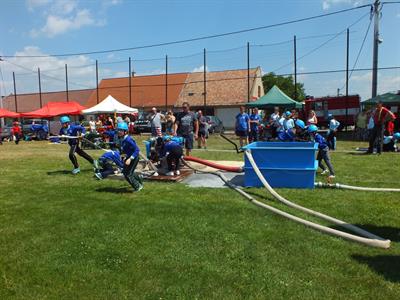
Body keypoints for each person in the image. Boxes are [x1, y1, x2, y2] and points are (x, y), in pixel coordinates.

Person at [117, 122, 143, 191]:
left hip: (134, 158)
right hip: (129, 157)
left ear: (125, 131)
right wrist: (125, 156)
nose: (119, 132)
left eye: (121, 130)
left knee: (128, 174)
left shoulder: (129, 140)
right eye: (118, 130)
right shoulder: (123, 139)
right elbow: (127, 150)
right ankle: (139, 178)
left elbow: (137, 150)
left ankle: (138, 186)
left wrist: (130, 159)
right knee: (125, 172)